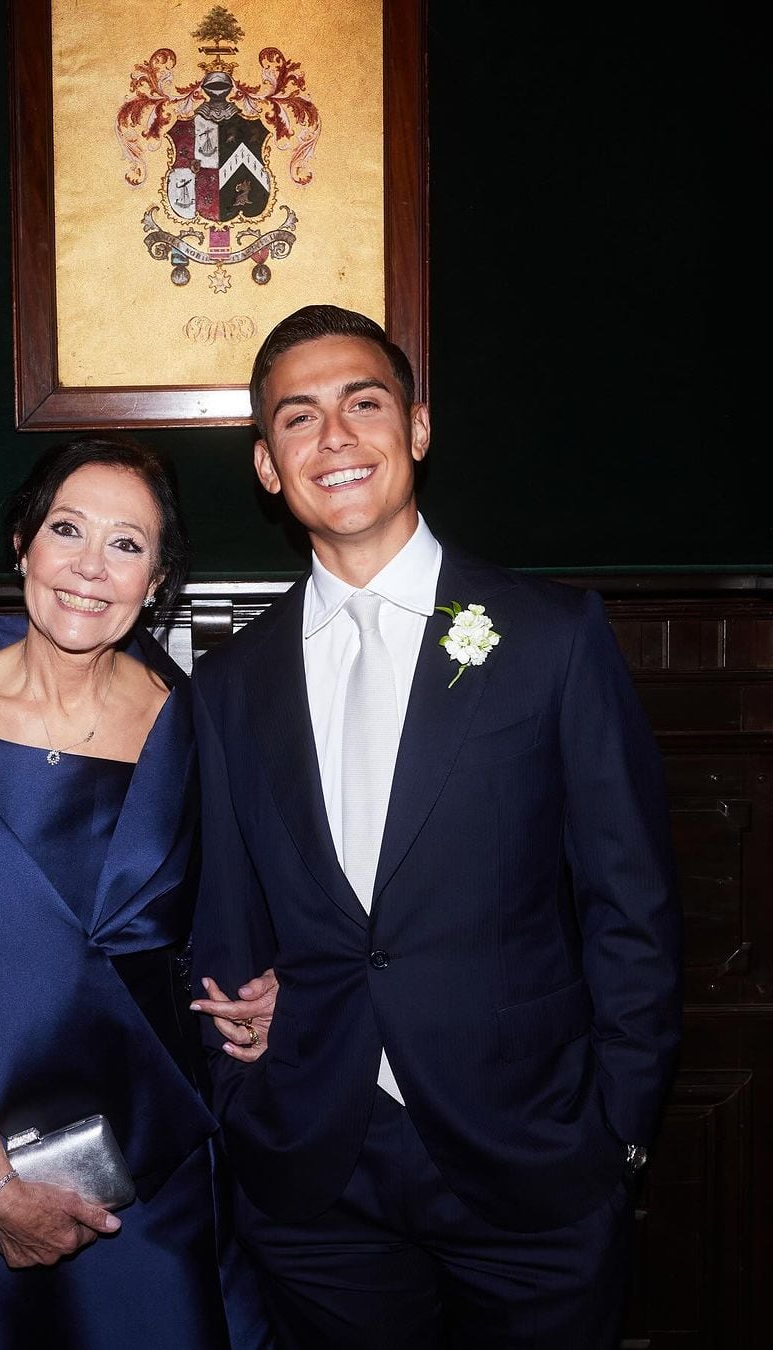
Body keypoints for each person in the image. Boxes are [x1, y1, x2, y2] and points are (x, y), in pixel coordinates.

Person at [188, 306, 683, 1348]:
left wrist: (619, 1135)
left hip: (533, 1164)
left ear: (415, 428)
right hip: (314, 1176)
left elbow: (629, 901)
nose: (335, 438)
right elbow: (227, 920)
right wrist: (245, 1095)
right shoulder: (229, 684)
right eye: (299, 419)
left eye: (362, 404)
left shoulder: (551, 638)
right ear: (269, 467)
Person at [0, 439, 272, 1349]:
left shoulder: (190, 719)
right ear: (24, 542)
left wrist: (262, 990)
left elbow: (229, 903)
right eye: (67, 529)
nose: (88, 568)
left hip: (146, 1153)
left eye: (126, 544)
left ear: (158, 582)